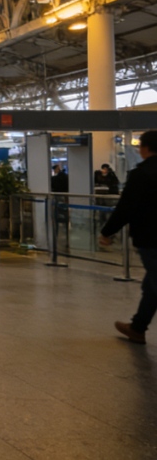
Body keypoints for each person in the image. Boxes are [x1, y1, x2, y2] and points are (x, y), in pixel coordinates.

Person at [100, 131, 157, 344]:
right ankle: (138, 327)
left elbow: (126, 208)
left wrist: (107, 232)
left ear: (144, 148)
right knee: (151, 285)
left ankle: (138, 326)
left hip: (151, 238)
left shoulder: (141, 174)